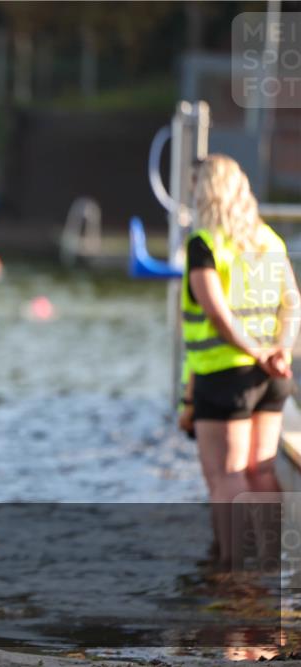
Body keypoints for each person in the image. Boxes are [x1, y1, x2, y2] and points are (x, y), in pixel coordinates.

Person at [179, 154, 299, 567]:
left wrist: (258, 352)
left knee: (226, 476)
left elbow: (217, 313)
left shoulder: (205, 244)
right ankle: (268, 563)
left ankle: (233, 572)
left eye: (195, 186)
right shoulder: (268, 240)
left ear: (207, 192)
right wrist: (280, 348)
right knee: (260, 472)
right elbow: (293, 301)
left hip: (226, 376)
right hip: (272, 377)